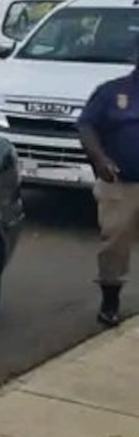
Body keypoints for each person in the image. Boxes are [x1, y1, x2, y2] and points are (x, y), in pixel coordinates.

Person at [77, 34, 139, 327]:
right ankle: (110, 303)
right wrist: (99, 159)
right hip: (121, 183)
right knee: (115, 244)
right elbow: (86, 124)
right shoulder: (112, 92)